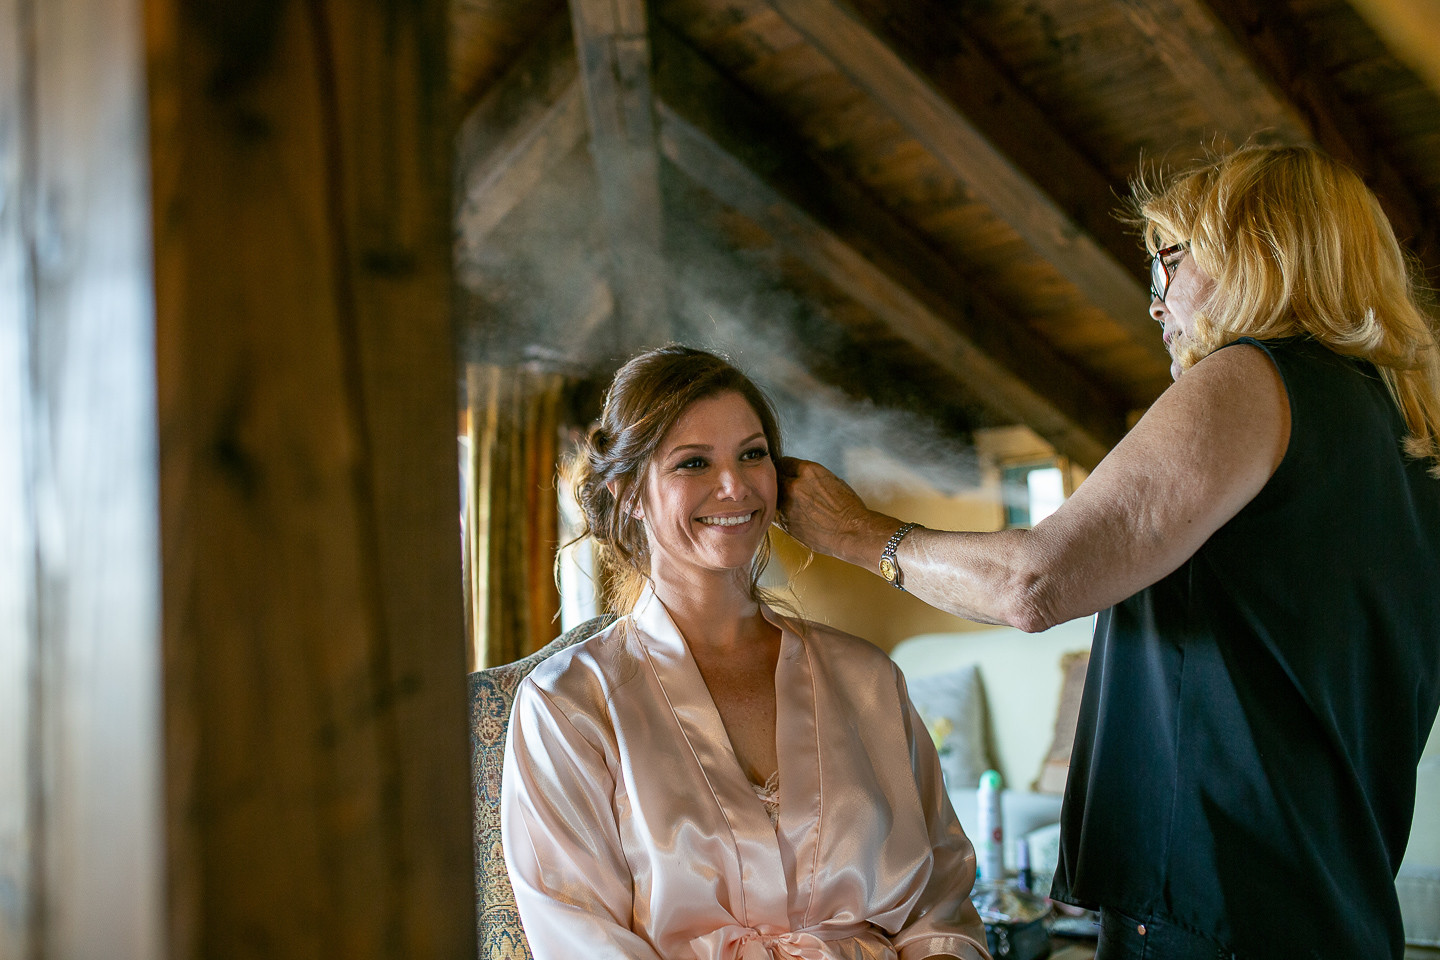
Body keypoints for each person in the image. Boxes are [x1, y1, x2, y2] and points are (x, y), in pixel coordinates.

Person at [777, 144, 1440, 959]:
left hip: (1217, 908)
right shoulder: (1407, 432)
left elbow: (1033, 583)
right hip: (1336, 904)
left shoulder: (1253, 378)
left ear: (1258, 251)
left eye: (1169, 262)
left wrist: (854, 534)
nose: (1155, 304)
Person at [501, 345, 991, 960]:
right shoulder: (568, 704)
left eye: (752, 454)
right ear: (628, 493)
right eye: (694, 462)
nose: (734, 486)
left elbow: (941, 908)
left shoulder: (868, 678)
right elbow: (580, 937)